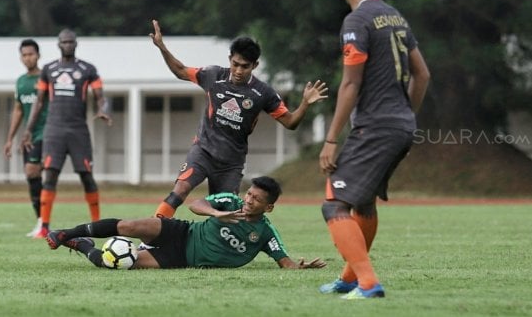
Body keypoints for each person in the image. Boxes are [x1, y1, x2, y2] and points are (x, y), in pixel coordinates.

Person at [318, 0, 430, 299]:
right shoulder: (394, 16)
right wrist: (404, 116)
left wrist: (332, 139)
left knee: (334, 204)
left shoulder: (357, 21)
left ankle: (368, 283)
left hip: (376, 127)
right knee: (363, 203)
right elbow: (422, 75)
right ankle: (350, 278)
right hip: (400, 125)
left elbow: (350, 85)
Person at [149, 20, 329, 219]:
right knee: (180, 190)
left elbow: (290, 122)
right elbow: (181, 71)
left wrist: (304, 103)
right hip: (203, 151)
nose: (238, 71)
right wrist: (162, 47)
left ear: (255, 65)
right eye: (235, 64)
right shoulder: (213, 75)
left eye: (245, 66)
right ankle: (152, 235)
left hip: (231, 163)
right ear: (230, 59)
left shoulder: (263, 93)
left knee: (227, 215)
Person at [46, 176, 327, 270]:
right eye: (249, 194)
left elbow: (285, 262)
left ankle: (81, 244)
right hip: (181, 231)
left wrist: (299, 268)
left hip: (180, 257)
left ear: (269, 207)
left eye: (256, 200)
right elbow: (196, 204)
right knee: (128, 226)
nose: (248, 200)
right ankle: (64, 233)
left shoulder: (265, 233)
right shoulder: (229, 200)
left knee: (117, 263)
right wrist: (218, 214)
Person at [21, 28, 112, 238]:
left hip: (78, 130)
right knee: (50, 175)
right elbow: (39, 101)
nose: (68, 45)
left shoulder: (88, 69)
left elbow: (100, 96)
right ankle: (44, 226)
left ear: (76, 44)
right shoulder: (49, 69)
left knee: (87, 176)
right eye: (64, 42)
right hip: (54, 130)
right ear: (58, 44)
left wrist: (103, 110)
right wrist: (28, 130)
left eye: (71, 42)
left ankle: (96, 225)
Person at [3, 39, 48, 237]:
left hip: (47, 133)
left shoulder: (47, 78)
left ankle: (44, 222)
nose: (28, 57)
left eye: (31, 54)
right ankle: (42, 221)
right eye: (24, 55)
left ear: (38, 55)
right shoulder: (21, 82)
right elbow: (19, 109)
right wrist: (10, 138)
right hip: (29, 136)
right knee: (31, 175)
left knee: (33, 170)